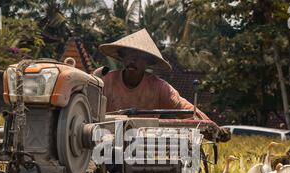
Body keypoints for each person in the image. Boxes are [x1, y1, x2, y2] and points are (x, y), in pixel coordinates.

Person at [98, 28, 231, 142]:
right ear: (123, 58)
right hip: (106, 142)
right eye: (129, 55)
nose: (132, 60)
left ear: (148, 63)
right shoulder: (106, 81)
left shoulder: (158, 87)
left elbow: (185, 109)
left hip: (143, 147)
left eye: (139, 57)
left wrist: (213, 128)